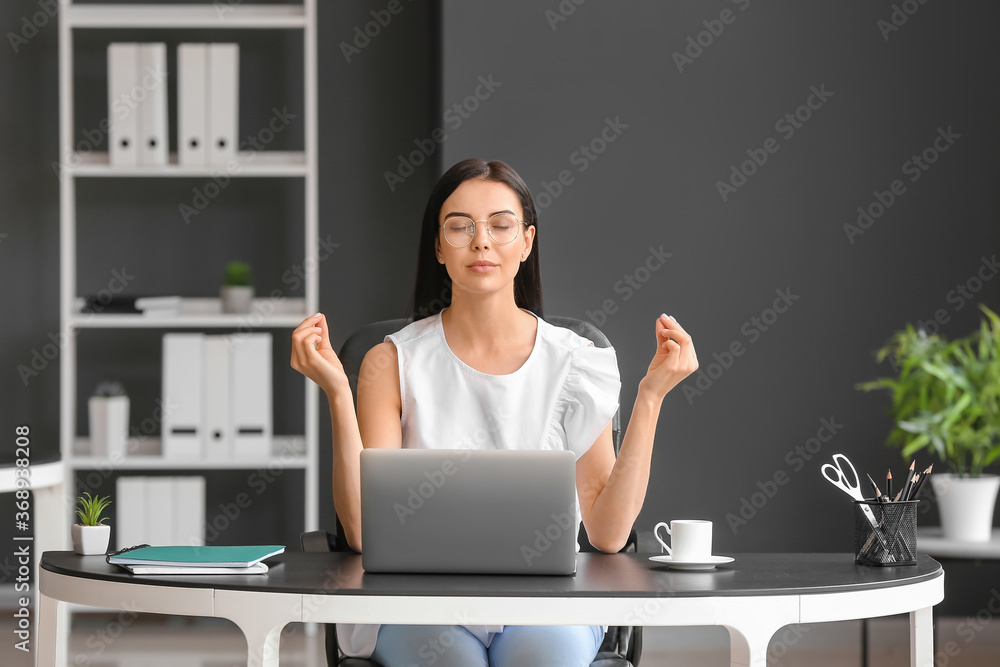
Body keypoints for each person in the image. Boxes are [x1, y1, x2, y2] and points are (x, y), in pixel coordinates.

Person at [290, 158, 699, 667]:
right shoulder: (389, 360)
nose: (481, 241)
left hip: (547, 603)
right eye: (460, 227)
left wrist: (651, 396)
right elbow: (361, 532)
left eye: (501, 225)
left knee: (538, 655)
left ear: (527, 242)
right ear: (438, 247)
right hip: (416, 602)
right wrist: (336, 391)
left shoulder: (576, 361)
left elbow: (608, 535)